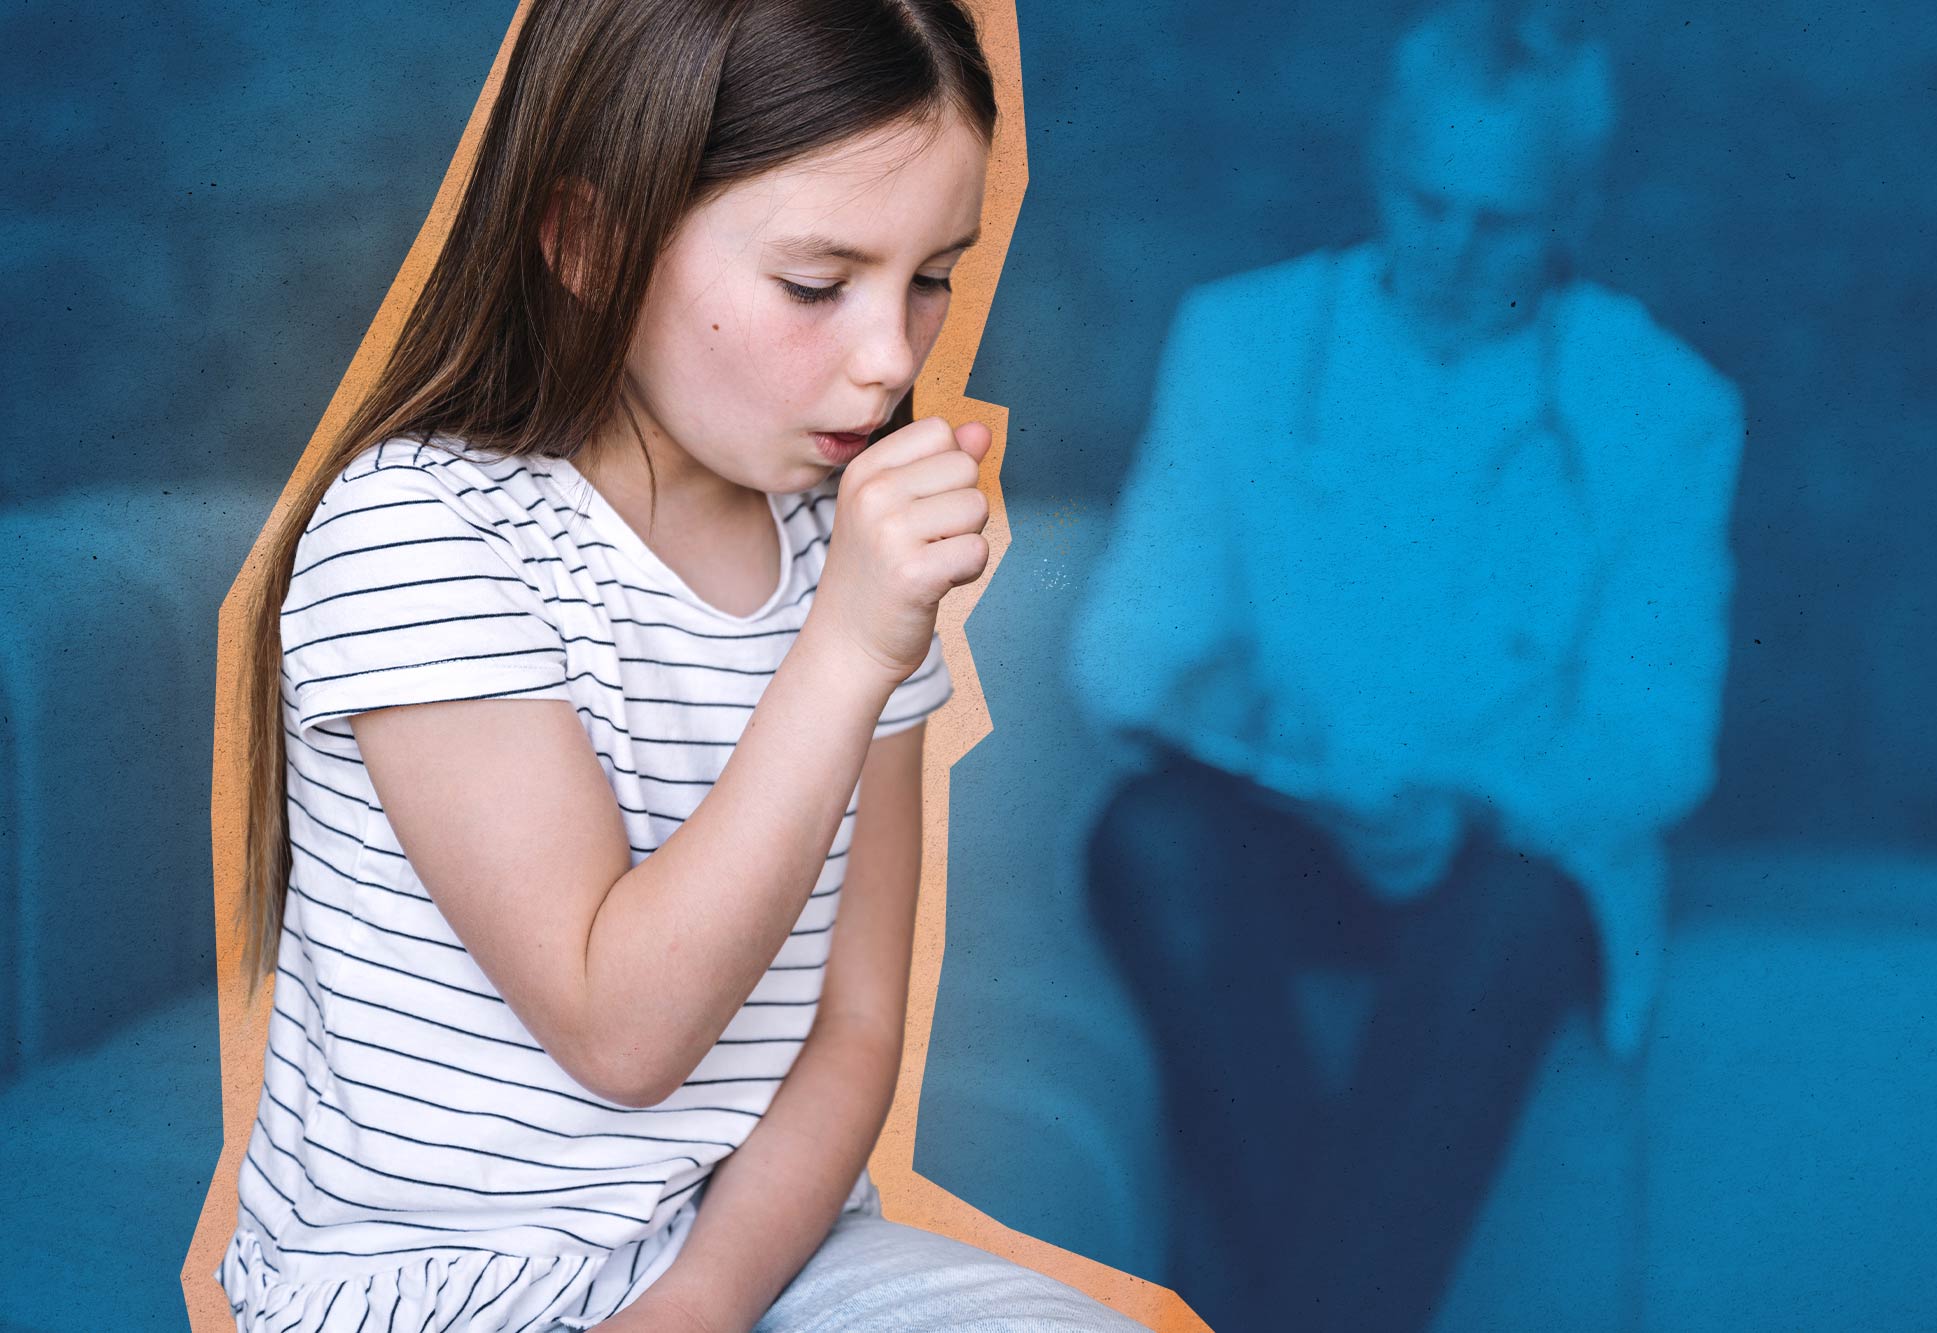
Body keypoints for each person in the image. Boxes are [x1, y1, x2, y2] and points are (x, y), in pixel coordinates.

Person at [215, 2, 1148, 1329]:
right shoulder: (418, 530)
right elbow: (623, 1031)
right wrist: (846, 647)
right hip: (426, 1295)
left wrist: (701, 1300)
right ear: (591, 242)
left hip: (748, 1258)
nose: (892, 359)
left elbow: (856, 1027)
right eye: (817, 285)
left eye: (931, 275)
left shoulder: (842, 540)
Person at [1070, 3, 1746, 1329]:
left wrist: (1477, 802)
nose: (1446, 247)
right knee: (1142, 832)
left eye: (1499, 220)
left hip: (1503, 862)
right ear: (1382, 161)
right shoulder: (1245, 341)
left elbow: (1660, 736)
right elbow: (1122, 654)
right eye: (1423, 198)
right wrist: (1278, 750)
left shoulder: (1662, 403)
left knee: (1506, 910)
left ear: (1577, 208)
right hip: (1292, 827)